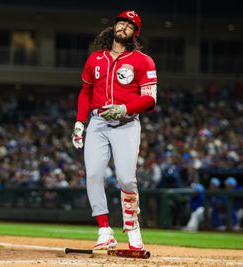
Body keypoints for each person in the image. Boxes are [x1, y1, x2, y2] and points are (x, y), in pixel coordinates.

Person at [71, 10, 157, 251]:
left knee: (126, 178)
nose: (124, 27)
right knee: (94, 174)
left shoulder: (143, 60)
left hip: (126, 123)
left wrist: (124, 108)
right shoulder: (95, 59)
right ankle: (104, 230)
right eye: (121, 22)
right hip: (97, 123)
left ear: (134, 33)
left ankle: (132, 227)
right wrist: (80, 122)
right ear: (114, 27)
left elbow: (149, 99)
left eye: (130, 26)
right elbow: (85, 92)